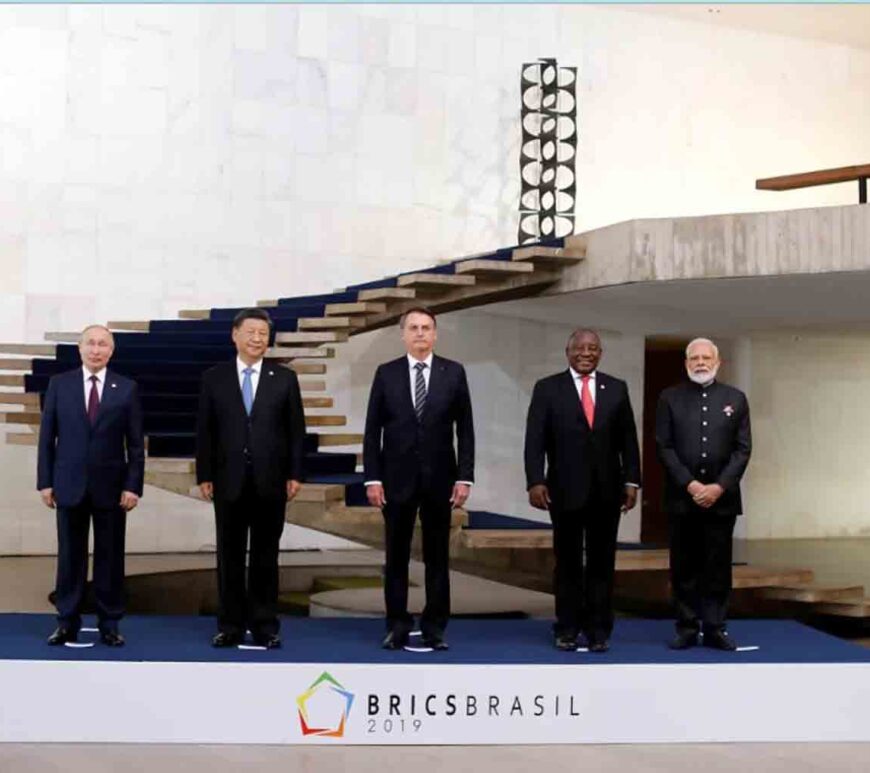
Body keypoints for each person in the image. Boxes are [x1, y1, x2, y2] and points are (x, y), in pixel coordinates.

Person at [363, 306, 475, 651]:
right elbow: (372, 432)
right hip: (396, 480)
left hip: (441, 481)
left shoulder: (454, 373)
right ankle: (397, 624)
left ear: (436, 334)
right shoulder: (386, 373)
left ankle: (434, 627)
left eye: (427, 327)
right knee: (395, 556)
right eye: (413, 328)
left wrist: (465, 477)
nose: (421, 333)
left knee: (437, 557)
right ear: (403, 334)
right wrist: (372, 478)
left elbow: (466, 430)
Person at [524, 328, 641, 652]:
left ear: (600, 353)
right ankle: (567, 629)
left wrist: (632, 481)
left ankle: (599, 630)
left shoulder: (616, 389)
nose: (586, 353)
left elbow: (628, 440)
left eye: (593, 348)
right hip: (564, 491)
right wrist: (535, 480)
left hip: (608, 491)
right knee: (568, 562)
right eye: (580, 348)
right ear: (568, 352)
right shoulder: (548, 388)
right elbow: (535, 439)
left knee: (603, 562)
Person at [196, 308, 305, 649]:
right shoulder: (214, 377)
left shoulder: (284, 378)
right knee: (228, 556)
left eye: (263, 334)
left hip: (271, 481)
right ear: (235, 335)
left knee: (265, 556)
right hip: (227, 480)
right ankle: (229, 625)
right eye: (251, 332)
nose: (258, 339)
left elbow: (296, 432)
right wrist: (205, 474)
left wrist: (295, 473)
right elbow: (205, 432)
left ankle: (264, 625)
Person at [37, 324, 144, 647]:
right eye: (91, 344)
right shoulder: (60, 384)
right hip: (68, 485)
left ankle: (109, 623)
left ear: (111, 351)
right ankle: (66, 620)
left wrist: (133, 486)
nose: (96, 350)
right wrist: (45, 482)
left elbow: (136, 445)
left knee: (110, 558)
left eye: (103, 345)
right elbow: (47, 439)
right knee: (70, 557)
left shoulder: (126, 388)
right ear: (80, 348)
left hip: (112, 488)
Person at [656, 337, 751, 651]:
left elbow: (743, 449)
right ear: (686, 364)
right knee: (683, 566)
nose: (700, 362)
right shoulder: (669, 398)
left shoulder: (735, 398)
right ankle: (686, 627)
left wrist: (718, 487)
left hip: (722, 501)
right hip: (682, 499)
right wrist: (691, 484)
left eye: (706, 358)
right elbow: (664, 447)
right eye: (694, 358)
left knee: (718, 567)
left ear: (717, 362)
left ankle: (715, 627)